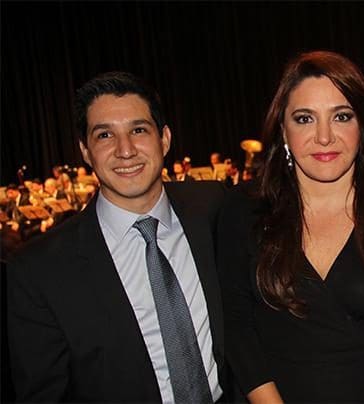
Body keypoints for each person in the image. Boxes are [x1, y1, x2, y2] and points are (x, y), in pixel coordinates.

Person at [218, 50, 364, 403]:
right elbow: (237, 325)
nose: (324, 137)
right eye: (305, 119)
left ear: (362, 126)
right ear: (283, 130)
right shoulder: (244, 209)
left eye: (341, 116)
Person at [7, 71, 228, 402]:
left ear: (165, 139)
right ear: (85, 151)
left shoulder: (214, 208)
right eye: (105, 135)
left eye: (138, 130)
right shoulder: (38, 270)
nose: (125, 150)